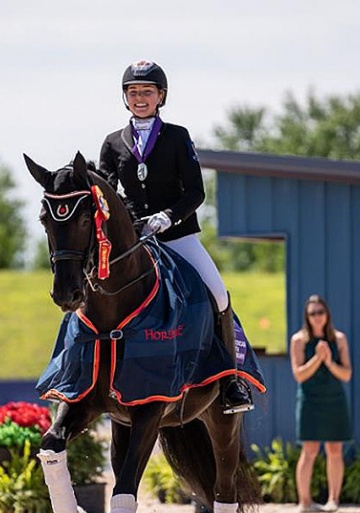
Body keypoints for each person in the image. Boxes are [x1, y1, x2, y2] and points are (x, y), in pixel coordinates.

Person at [98, 59, 253, 414]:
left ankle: (231, 381)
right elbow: (107, 193)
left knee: (218, 293)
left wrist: (168, 216)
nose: (140, 98)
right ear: (125, 97)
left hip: (177, 236)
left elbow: (196, 191)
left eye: (147, 92)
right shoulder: (111, 143)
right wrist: (133, 222)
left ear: (160, 96)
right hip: (135, 242)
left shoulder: (178, 137)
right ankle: (85, 376)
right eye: (133, 92)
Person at [290, 295, 352, 513]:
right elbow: (299, 375)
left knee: (335, 449)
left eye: (320, 312)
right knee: (309, 449)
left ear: (327, 314)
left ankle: (334, 499)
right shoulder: (299, 340)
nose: (317, 317)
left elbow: (346, 374)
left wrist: (328, 361)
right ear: (307, 317)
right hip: (310, 399)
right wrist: (317, 358)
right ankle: (304, 502)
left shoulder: (340, 339)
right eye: (313, 313)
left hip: (334, 398)